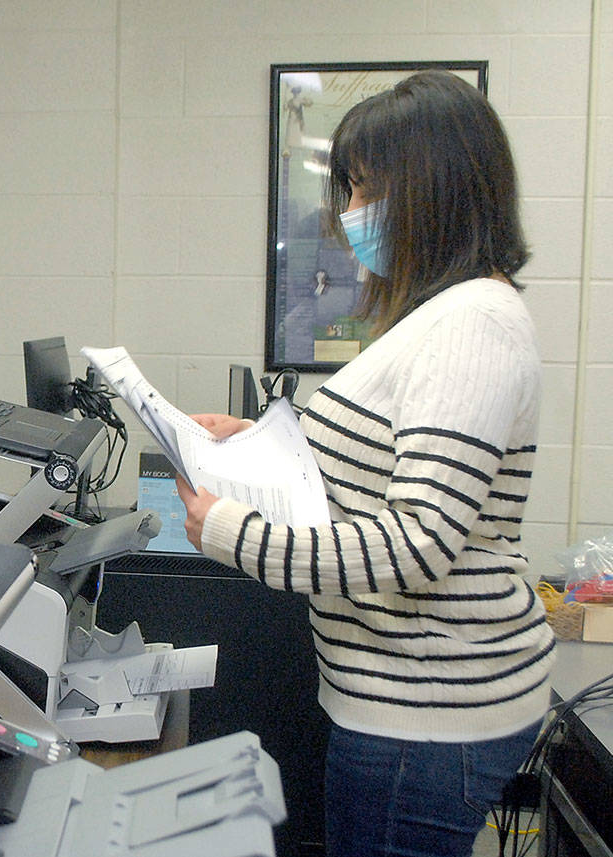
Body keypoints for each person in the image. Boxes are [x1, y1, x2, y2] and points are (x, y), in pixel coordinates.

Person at [174, 69, 554, 857]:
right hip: (402, 704)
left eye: (362, 189)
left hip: (424, 718)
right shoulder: (440, 315)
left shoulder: (472, 324)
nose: (349, 215)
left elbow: (416, 541)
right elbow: (382, 465)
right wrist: (258, 441)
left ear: (431, 189)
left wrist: (231, 531)